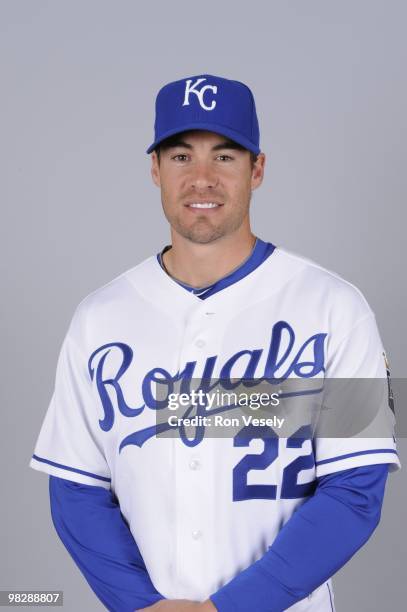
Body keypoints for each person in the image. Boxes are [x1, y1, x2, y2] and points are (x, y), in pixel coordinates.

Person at [30, 74, 400, 612]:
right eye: (181, 157)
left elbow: (356, 488)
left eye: (225, 157)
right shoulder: (98, 318)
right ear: (155, 169)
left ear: (258, 169)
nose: (201, 178)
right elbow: (76, 489)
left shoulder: (338, 307)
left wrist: (233, 608)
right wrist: (141, 605)